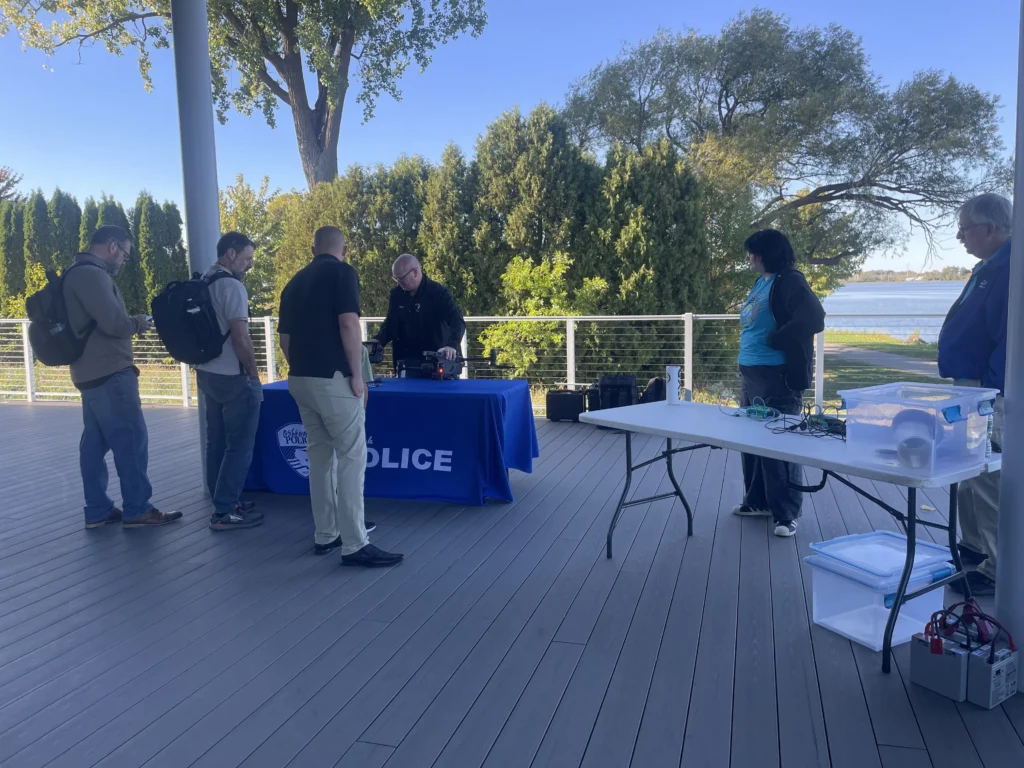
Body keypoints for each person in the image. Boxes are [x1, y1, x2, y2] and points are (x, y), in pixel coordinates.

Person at [277, 226, 400, 566]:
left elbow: (284, 340)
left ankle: (326, 534)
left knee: (319, 458)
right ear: (343, 248)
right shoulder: (343, 274)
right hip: (334, 381)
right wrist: (358, 377)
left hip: (300, 379)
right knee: (351, 458)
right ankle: (355, 542)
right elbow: (348, 324)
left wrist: (303, 367)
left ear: (312, 248)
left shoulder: (294, 283)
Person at [64, 225, 182, 529]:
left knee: (94, 442)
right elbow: (115, 323)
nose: (124, 262)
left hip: (88, 372)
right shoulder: (92, 274)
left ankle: (98, 509)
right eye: (126, 255)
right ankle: (138, 508)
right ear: (112, 246)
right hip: (110, 372)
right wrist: (138, 323)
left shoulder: (74, 272)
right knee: (131, 439)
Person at [938, 193, 1011, 597]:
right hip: (970, 388)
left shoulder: (1010, 268)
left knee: (987, 479)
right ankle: (974, 546)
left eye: (965, 228)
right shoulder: (989, 266)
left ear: (990, 229)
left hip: (987, 392)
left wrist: (990, 389)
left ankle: (998, 566)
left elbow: (1008, 338)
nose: (960, 236)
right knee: (967, 473)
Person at [731, 229, 825, 537]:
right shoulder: (763, 281)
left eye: (752, 254)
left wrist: (778, 338)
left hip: (777, 376)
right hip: (752, 373)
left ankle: (786, 514)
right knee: (752, 440)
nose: (750, 259)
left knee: (779, 441)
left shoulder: (790, 280)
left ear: (764, 254)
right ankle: (757, 501)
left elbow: (814, 316)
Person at [196, 232, 265, 532]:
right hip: (232, 376)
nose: (249, 265)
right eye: (247, 258)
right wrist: (253, 373)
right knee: (239, 445)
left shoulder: (204, 281)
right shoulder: (232, 287)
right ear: (231, 254)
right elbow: (240, 336)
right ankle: (225, 511)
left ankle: (222, 498)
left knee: (217, 441)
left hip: (206, 372)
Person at [374, 254, 466, 373]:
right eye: (396, 279)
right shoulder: (396, 295)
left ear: (415, 272)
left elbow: (457, 319)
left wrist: (451, 345)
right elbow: (390, 324)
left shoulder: (438, 293)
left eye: (401, 279)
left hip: (436, 366)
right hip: (405, 365)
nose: (399, 283)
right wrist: (377, 341)